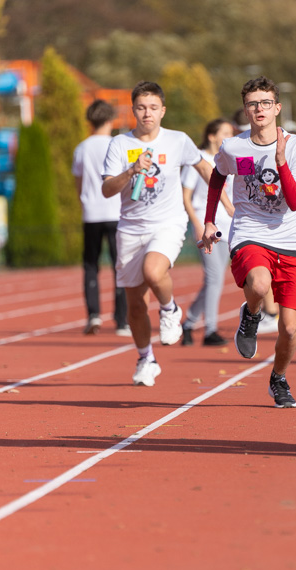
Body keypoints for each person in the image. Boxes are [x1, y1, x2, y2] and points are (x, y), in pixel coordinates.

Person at [202, 76, 296, 408]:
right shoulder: (234, 147)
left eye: (265, 103)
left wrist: (280, 160)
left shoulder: (295, 146)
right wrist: (209, 220)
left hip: (293, 238)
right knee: (260, 283)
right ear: (246, 111)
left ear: (277, 108)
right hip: (251, 232)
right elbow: (217, 175)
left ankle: (278, 378)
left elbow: (294, 202)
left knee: (290, 330)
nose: (259, 109)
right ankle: (251, 315)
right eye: (252, 104)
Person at [102, 81, 213, 386]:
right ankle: (145, 358)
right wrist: (131, 171)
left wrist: (226, 197)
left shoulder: (177, 140)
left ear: (163, 111)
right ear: (133, 111)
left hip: (168, 222)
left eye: (153, 108)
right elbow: (107, 189)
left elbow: (205, 167)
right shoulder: (119, 144)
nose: (147, 113)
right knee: (135, 304)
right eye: (141, 108)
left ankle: (170, 309)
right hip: (130, 228)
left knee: (154, 271)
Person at [72, 99, 129, 336]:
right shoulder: (119, 144)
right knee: (121, 266)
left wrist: (83, 200)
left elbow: (78, 180)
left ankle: (94, 314)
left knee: (90, 266)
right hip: (116, 212)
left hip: (91, 213)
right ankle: (122, 320)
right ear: (110, 120)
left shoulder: (82, 148)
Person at [182, 119, 236, 346]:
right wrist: (196, 223)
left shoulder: (230, 160)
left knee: (215, 279)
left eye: (231, 133)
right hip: (206, 227)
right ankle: (210, 330)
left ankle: (188, 323)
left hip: (228, 226)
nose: (229, 137)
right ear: (212, 136)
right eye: (225, 132)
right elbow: (186, 196)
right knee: (214, 278)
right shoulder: (198, 158)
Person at [231, 109, 279, 334]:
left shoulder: (286, 142)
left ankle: (272, 313)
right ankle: (264, 313)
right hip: (250, 224)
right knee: (260, 278)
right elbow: (249, 183)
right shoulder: (241, 147)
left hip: (282, 225)